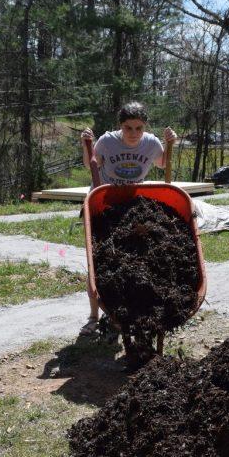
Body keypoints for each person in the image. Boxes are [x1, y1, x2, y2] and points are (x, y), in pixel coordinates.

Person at [78, 101, 177, 335]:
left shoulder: (151, 143)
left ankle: (123, 312)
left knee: (128, 259)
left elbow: (163, 164)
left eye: (139, 128)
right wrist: (85, 145)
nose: (133, 134)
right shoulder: (107, 141)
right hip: (103, 202)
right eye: (128, 128)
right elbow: (91, 163)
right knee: (98, 260)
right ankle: (94, 316)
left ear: (145, 127)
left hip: (132, 204)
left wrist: (171, 142)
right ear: (120, 126)